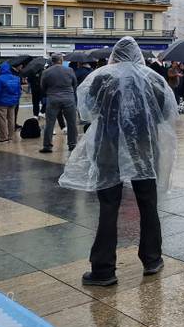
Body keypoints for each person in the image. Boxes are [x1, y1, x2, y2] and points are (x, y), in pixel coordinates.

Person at [58, 37, 177, 287]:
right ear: (137, 55)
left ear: (115, 55)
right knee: (148, 202)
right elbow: (166, 112)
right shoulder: (152, 78)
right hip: (144, 146)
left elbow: (87, 110)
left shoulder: (102, 77)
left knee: (109, 205)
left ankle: (103, 269)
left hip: (108, 145)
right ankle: (152, 259)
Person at [40, 53, 78, 154]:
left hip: (53, 98)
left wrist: (50, 92)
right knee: (71, 122)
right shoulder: (69, 70)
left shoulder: (46, 72)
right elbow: (75, 84)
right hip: (68, 98)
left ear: (52, 61)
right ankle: (72, 144)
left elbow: (43, 86)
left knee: (50, 123)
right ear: (61, 60)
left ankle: (47, 146)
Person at [0, 62, 21, 142]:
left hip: (1, 102)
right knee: (11, 119)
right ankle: (11, 136)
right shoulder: (16, 78)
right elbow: (19, 91)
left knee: (2, 119)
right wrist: (16, 100)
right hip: (13, 102)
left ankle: (3, 137)